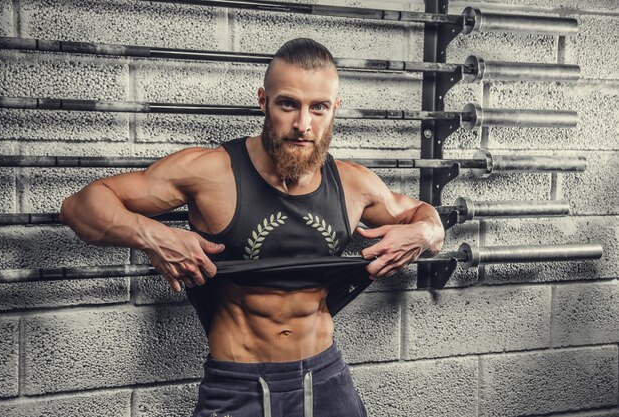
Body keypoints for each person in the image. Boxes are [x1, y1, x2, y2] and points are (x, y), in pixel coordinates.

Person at [60, 38, 444, 417]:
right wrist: (154, 237)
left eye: (319, 108)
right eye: (288, 104)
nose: (302, 124)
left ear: (335, 110)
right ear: (264, 102)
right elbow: (80, 207)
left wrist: (424, 234)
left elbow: (426, 218)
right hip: (238, 383)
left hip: (326, 376)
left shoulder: (354, 184)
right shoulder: (212, 173)